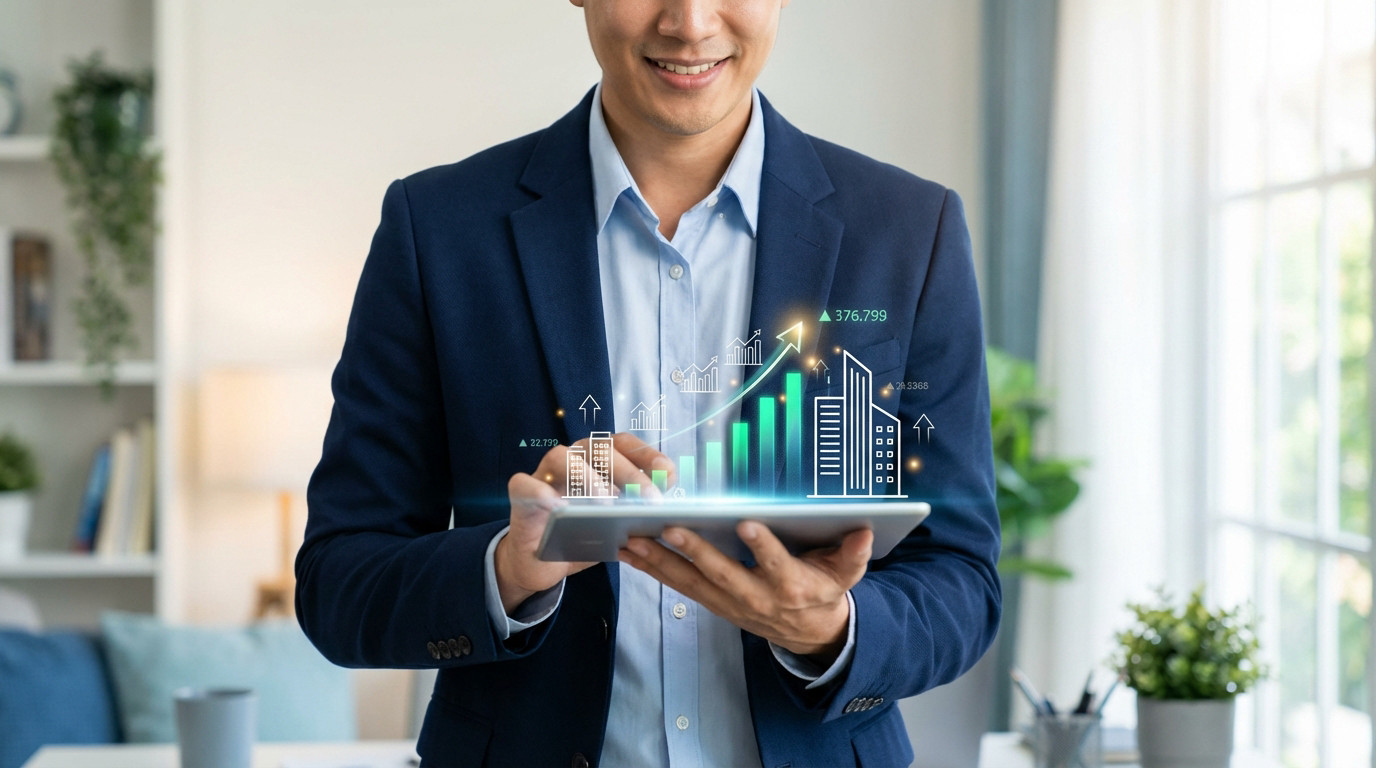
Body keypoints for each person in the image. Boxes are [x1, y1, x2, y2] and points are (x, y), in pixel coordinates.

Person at [295, 1, 1001, 766]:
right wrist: (508, 567)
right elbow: (340, 585)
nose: (690, 23)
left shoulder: (910, 230)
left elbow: (962, 579)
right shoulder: (437, 229)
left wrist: (831, 629)